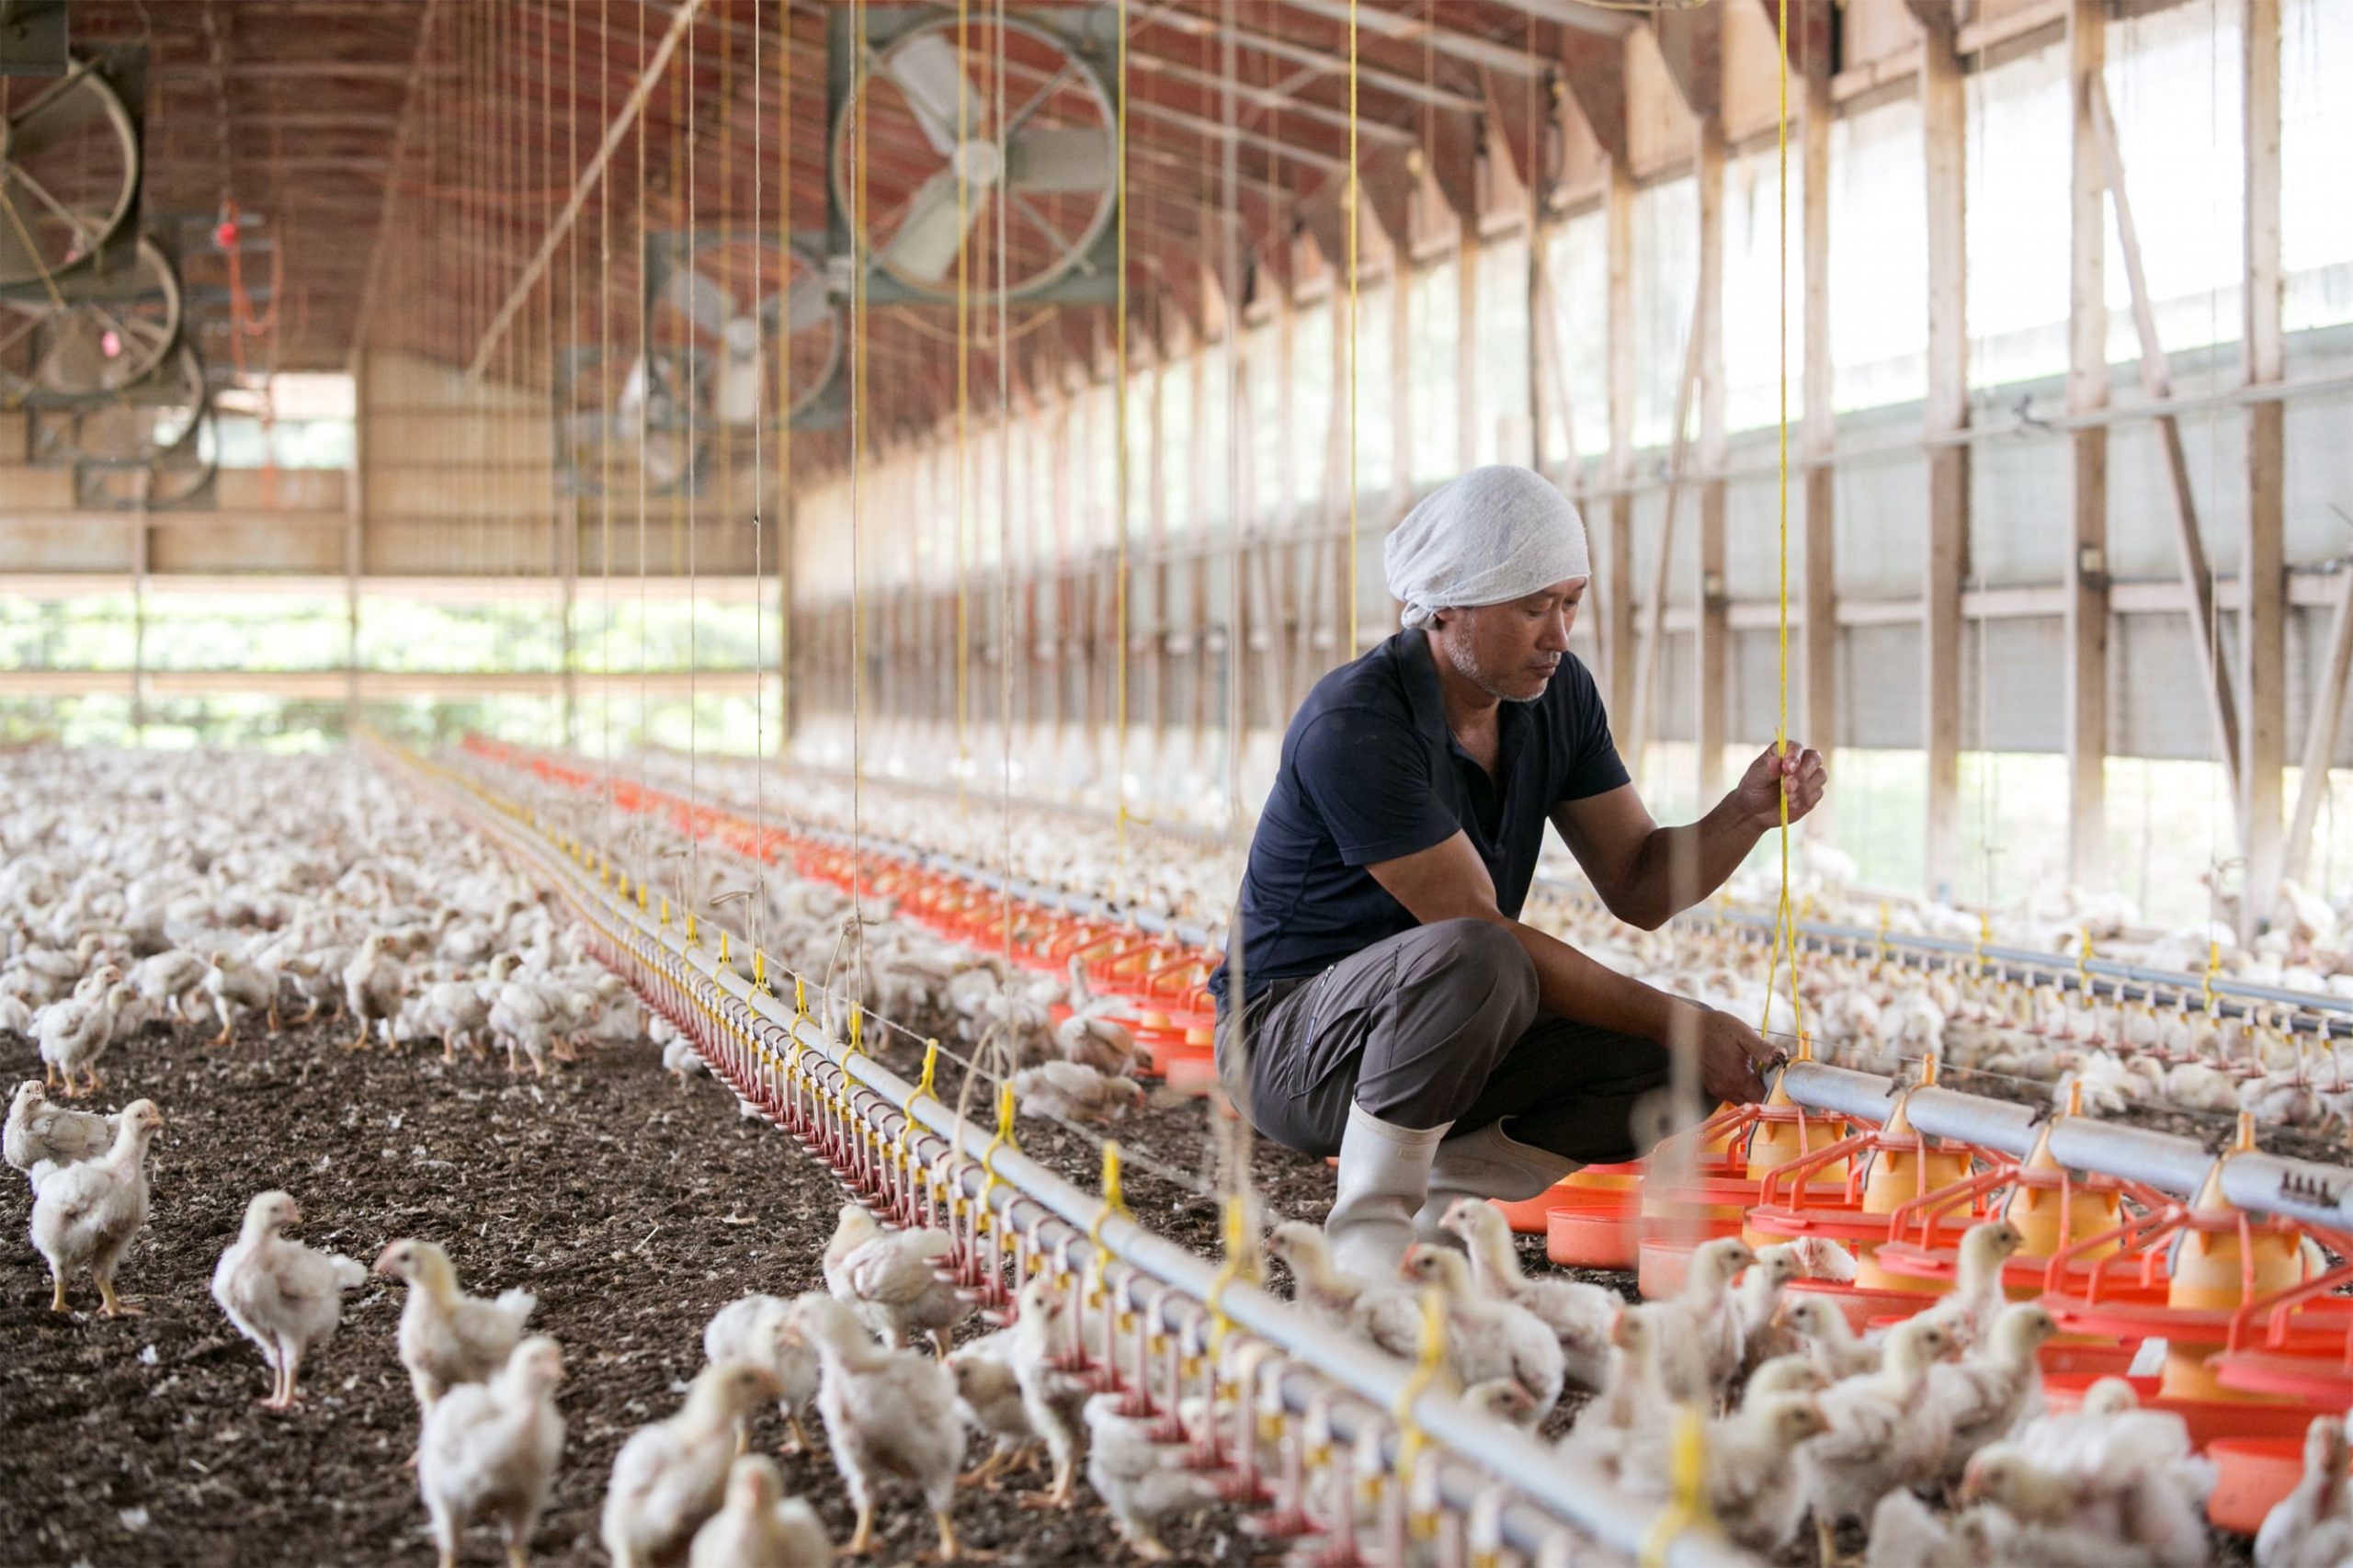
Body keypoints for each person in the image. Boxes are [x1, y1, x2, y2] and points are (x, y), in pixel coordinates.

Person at [1211, 465, 1826, 1279]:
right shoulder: (1358, 722)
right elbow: (1477, 931)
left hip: (1444, 1022)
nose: (1559, 634)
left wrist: (1743, 814)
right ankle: (1366, 1243)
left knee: (1669, 1065)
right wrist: (1682, 1015)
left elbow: (1641, 884)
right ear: (1447, 604)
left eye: (1570, 602)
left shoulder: (1557, 696)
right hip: (1290, 1045)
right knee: (1486, 957)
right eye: (1533, 608)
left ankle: (1438, 1214)